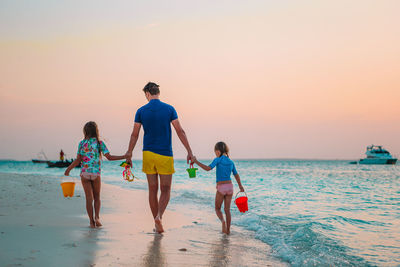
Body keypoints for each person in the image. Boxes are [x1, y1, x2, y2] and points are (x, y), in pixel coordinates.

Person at [126, 82, 194, 234]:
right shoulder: (170, 109)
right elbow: (180, 131)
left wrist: (129, 153)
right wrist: (189, 151)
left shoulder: (141, 111)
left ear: (147, 94)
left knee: (152, 189)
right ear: (158, 92)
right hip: (165, 154)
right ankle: (159, 217)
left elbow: (134, 134)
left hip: (148, 154)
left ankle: (156, 222)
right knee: (166, 189)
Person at [65, 121, 127, 228]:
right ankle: (97, 217)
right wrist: (125, 156)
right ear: (96, 131)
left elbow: (78, 160)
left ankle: (91, 222)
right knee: (97, 197)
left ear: (85, 131)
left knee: (89, 198)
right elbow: (109, 157)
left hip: (84, 173)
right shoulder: (99, 143)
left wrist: (68, 170)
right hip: (95, 174)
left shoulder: (82, 143)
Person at [192, 141, 245, 235]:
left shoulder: (218, 159)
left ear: (218, 151)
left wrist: (196, 161)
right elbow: (236, 175)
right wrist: (240, 186)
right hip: (230, 187)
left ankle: (223, 222)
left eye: (215, 151)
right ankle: (228, 230)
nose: (215, 153)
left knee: (217, 209)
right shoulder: (231, 162)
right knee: (227, 210)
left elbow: (208, 168)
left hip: (221, 187)